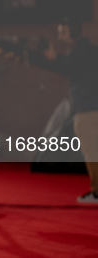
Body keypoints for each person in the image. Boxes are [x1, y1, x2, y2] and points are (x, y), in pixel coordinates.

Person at [43, 18, 98, 204]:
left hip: (87, 109)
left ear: (74, 33)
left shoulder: (77, 53)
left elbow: (72, 69)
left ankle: (97, 192)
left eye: (63, 32)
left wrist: (55, 58)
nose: (59, 37)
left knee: (91, 151)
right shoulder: (91, 50)